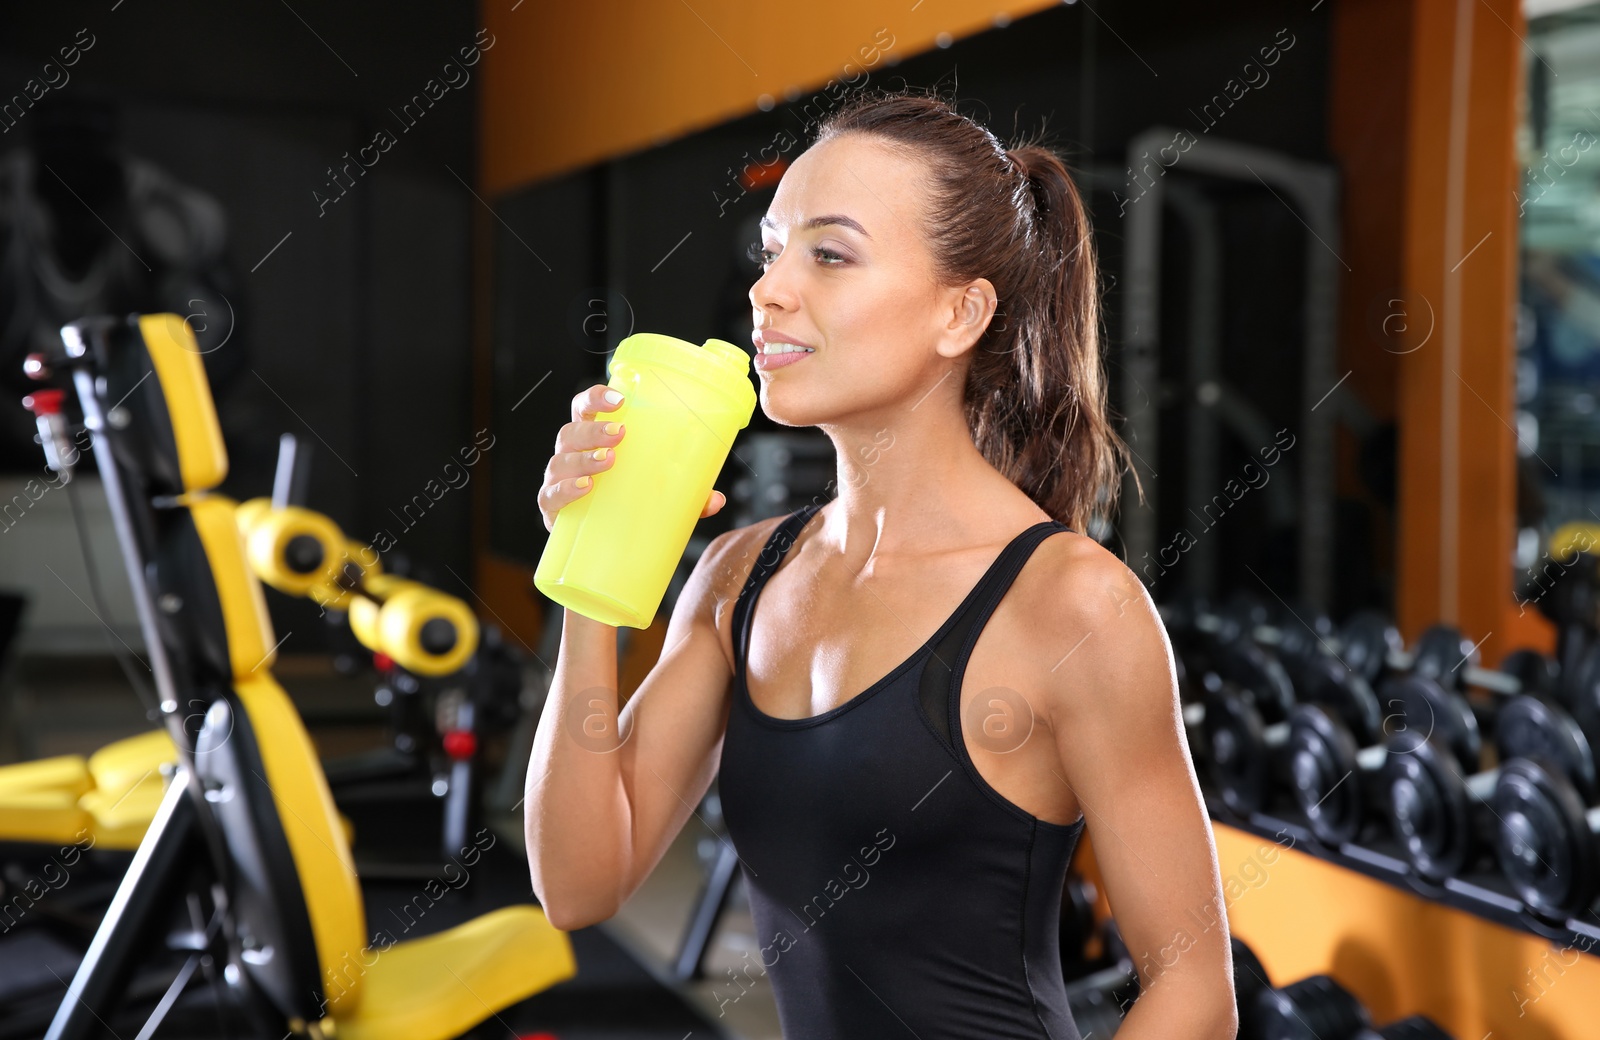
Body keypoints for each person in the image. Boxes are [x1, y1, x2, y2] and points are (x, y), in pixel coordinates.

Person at [525, 88, 1235, 1039]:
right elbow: (579, 882)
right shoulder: (741, 578)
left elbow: (1197, 995)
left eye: (829, 253)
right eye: (773, 250)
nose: (769, 288)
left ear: (960, 313)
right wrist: (594, 565)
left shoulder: (1075, 607)